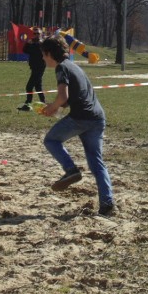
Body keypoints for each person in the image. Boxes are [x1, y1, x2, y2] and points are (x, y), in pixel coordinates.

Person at [39, 34, 115, 216]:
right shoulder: (74, 66)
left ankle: (71, 170)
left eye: (43, 54)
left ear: (49, 53)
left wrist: (52, 107)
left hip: (82, 118)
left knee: (51, 140)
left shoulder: (61, 68)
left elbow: (63, 97)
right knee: (96, 162)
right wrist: (55, 108)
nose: (42, 58)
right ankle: (107, 203)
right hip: (97, 118)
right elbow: (71, 98)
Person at [18, 27, 47, 110]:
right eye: (34, 33)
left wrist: (33, 44)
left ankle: (28, 105)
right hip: (34, 67)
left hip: (40, 67)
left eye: (38, 33)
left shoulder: (43, 44)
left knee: (29, 86)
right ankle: (44, 104)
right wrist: (28, 43)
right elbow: (25, 50)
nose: (36, 35)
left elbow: (37, 51)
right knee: (38, 87)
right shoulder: (32, 43)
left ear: (41, 34)